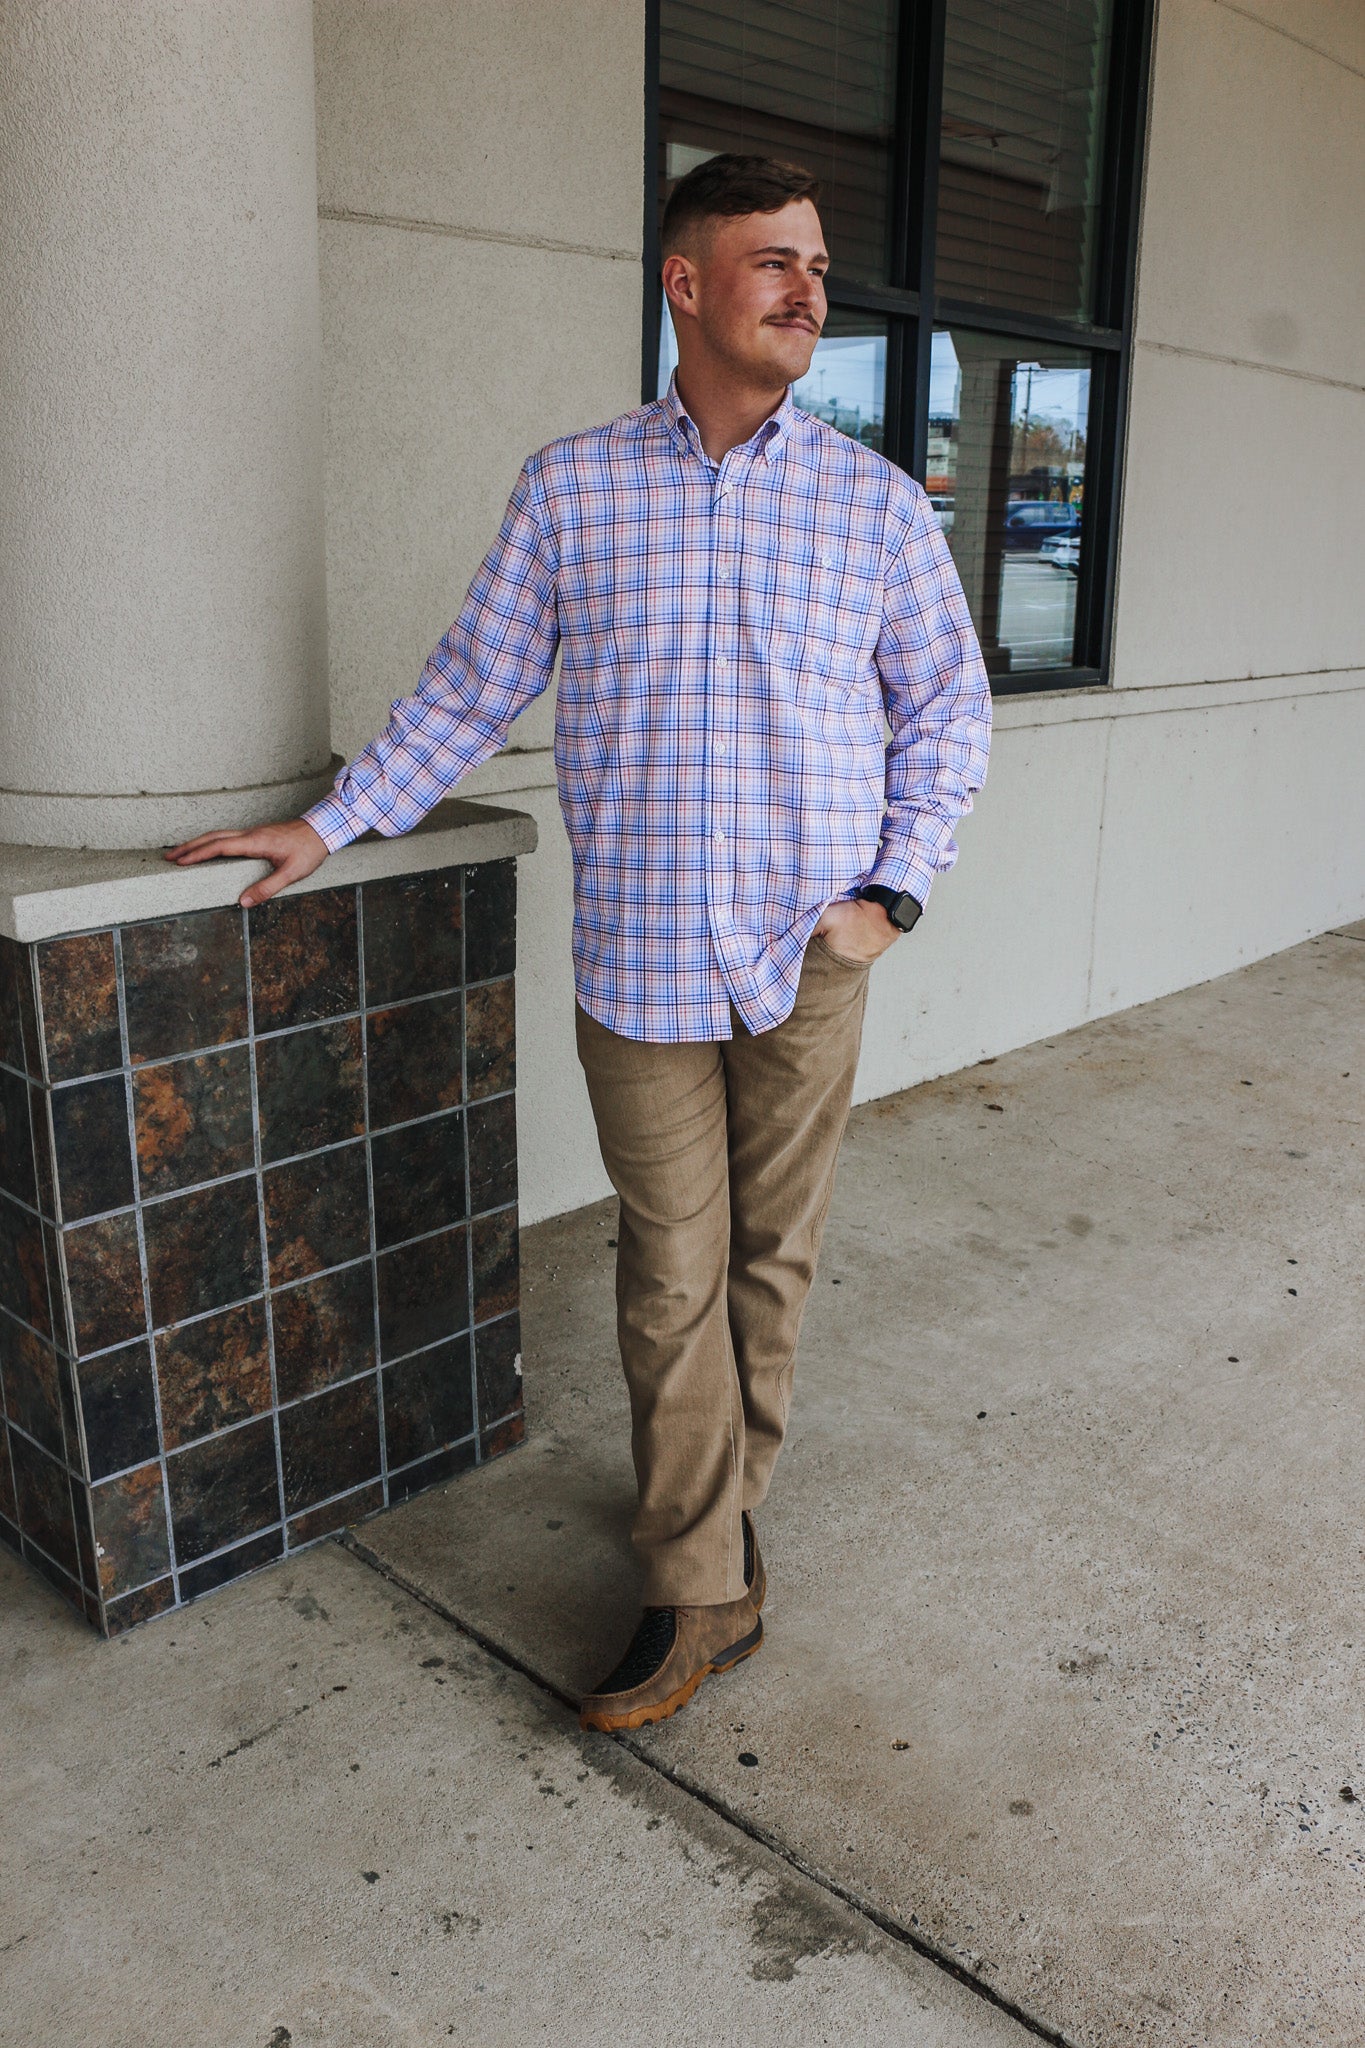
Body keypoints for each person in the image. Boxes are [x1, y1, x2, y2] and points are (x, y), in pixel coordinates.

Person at [167, 153, 991, 1735]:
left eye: (817, 264)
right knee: (670, 1272)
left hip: (809, 953)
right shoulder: (571, 489)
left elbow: (945, 712)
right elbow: (469, 688)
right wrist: (330, 825)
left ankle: (715, 1521)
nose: (808, 288)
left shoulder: (876, 505)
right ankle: (699, 1584)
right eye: (773, 260)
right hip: (641, 962)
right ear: (684, 283)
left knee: (768, 1261)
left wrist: (891, 896)